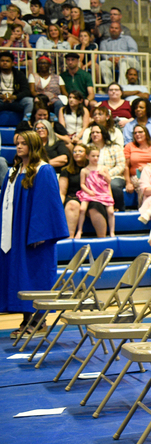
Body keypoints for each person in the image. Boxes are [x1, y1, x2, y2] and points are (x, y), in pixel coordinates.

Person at [1, 131, 70, 337]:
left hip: (35, 235)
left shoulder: (44, 170)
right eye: (18, 143)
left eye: (24, 143)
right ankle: (26, 319)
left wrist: (40, 233)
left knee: (35, 274)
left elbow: (47, 204)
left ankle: (39, 321)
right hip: (16, 231)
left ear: (33, 146)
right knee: (20, 275)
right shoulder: (13, 171)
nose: (19, 146)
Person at [74, 144, 117, 238]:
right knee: (82, 209)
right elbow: (82, 184)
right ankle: (79, 230)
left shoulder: (103, 168)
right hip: (89, 192)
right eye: (93, 156)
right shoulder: (84, 170)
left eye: (97, 156)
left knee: (110, 212)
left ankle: (112, 232)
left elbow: (109, 181)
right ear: (87, 156)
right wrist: (88, 191)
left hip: (102, 192)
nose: (95, 158)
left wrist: (105, 175)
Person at [0, 50, 33, 120]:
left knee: (29, 101)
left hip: (15, 101)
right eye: (2, 61)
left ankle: (26, 123)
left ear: (12, 63)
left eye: (7, 61)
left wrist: (14, 97)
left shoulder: (19, 74)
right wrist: (1, 96)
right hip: (1, 100)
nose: (4, 63)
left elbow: (26, 91)